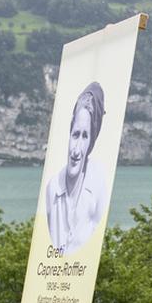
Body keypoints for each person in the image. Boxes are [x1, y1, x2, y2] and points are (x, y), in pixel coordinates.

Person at [45, 83, 108, 255]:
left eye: (85, 136)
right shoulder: (52, 188)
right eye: (75, 134)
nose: (76, 149)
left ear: (91, 143)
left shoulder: (98, 187)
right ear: (69, 133)